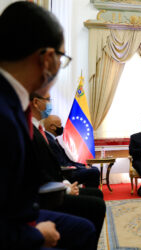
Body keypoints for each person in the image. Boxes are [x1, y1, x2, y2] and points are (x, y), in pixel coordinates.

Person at [0, 2, 96, 249]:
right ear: (47, 59)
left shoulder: (12, 101)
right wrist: (38, 235)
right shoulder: (6, 115)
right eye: (62, 59)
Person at [30, 92, 106, 244]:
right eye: (48, 99)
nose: (50, 103)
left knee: (96, 194)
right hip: (44, 194)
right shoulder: (31, 131)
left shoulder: (39, 130)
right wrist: (65, 187)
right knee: (96, 206)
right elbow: (40, 170)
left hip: (56, 183)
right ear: (36, 103)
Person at [44, 115, 100, 188]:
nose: (62, 127)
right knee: (94, 171)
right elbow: (62, 163)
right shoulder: (50, 141)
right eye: (60, 125)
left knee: (92, 168)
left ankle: (87, 193)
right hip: (66, 174)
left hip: (68, 170)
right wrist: (82, 168)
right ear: (52, 127)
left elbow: (67, 160)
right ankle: (93, 195)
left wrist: (83, 166)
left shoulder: (51, 139)